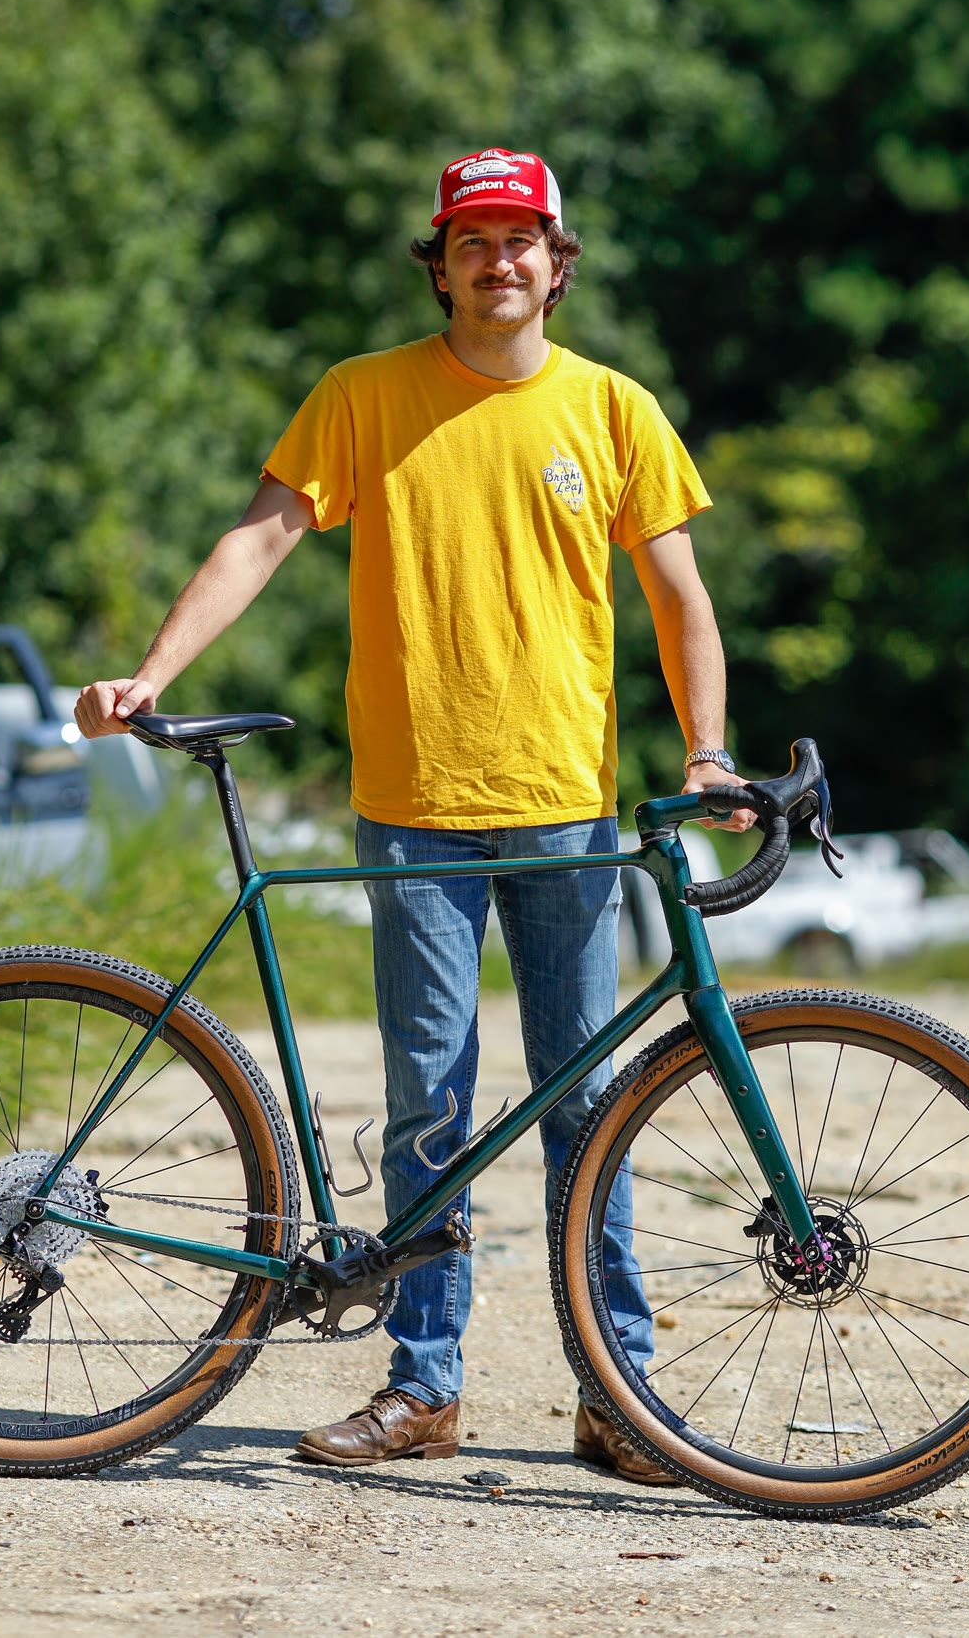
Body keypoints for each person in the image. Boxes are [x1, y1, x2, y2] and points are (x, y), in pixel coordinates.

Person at [75, 146, 750, 1481]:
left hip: (568, 808)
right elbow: (263, 534)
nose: (497, 262)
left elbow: (680, 598)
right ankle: (423, 1386)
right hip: (412, 805)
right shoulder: (364, 396)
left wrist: (712, 754)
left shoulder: (613, 410)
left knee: (589, 1110)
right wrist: (154, 673)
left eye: (521, 242)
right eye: (471, 242)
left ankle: (619, 1396)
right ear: (438, 264)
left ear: (558, 265)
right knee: (427, 1108)